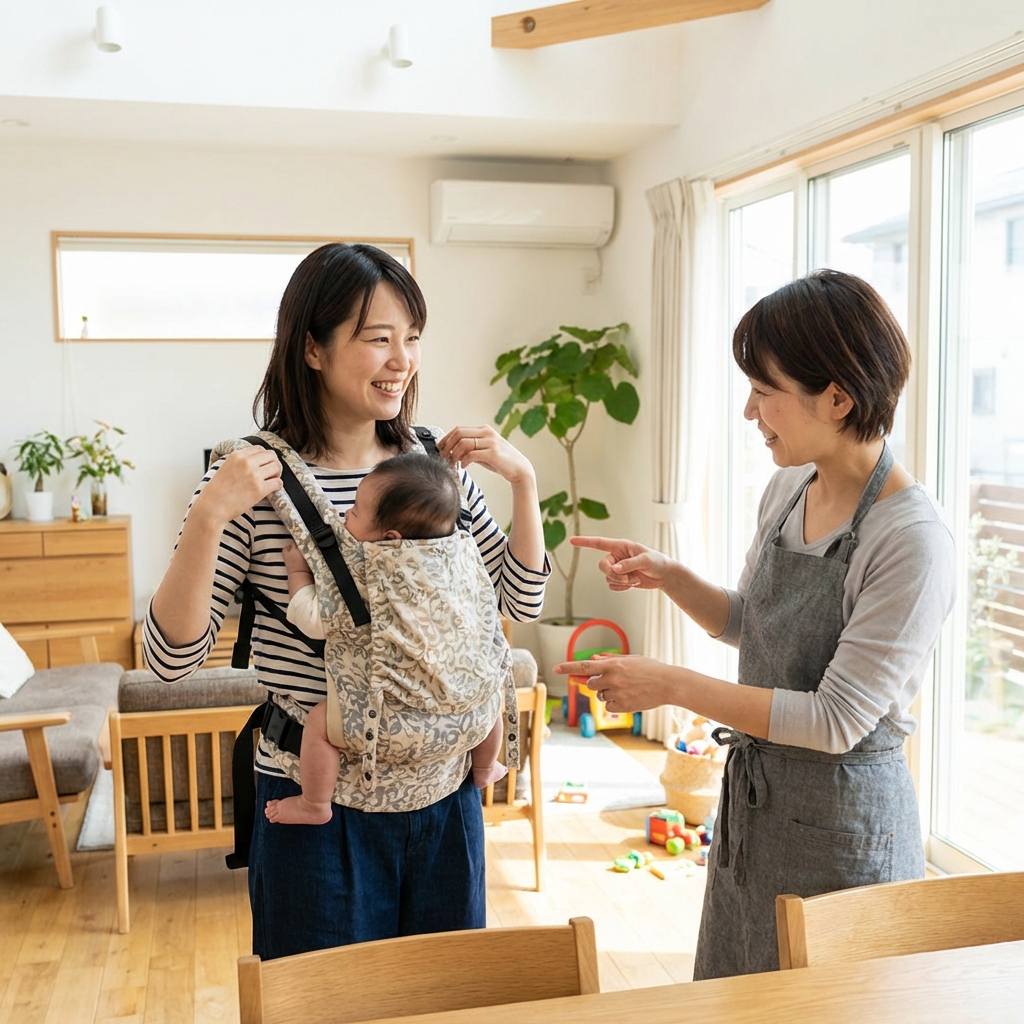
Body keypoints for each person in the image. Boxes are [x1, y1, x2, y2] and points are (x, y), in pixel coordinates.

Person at [144, 243, 548, 959]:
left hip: (446, 800)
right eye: (378, 339)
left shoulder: (430, 468)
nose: (403, 361)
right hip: (319, 811)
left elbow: (520, 597)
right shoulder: (251, 475)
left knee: (444, 1005)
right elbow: (172, 661)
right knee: (320, 1003)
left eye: (412, 339)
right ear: (313, 349)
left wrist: (525, 482)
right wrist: (208, 516)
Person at [554, 270, 956, 979]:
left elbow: (835, 719)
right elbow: (758, 625)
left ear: (837, 397)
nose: (750, 413)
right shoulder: (787, 486)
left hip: (843, 829)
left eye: (765, 392)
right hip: (756, 811)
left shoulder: (910, 538)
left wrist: (674, 684)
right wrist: (669, 575)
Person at [266, 452, 508, 827]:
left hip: (387, 726)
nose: (346, 514)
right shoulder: (460, 563)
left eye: (356, 511)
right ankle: (486, 767)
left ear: (390, 539)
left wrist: (298, 571)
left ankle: (314, 803)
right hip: (465, 715)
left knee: (318, 723)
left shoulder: (368, 573)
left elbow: (311, 619)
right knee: (490, 698)